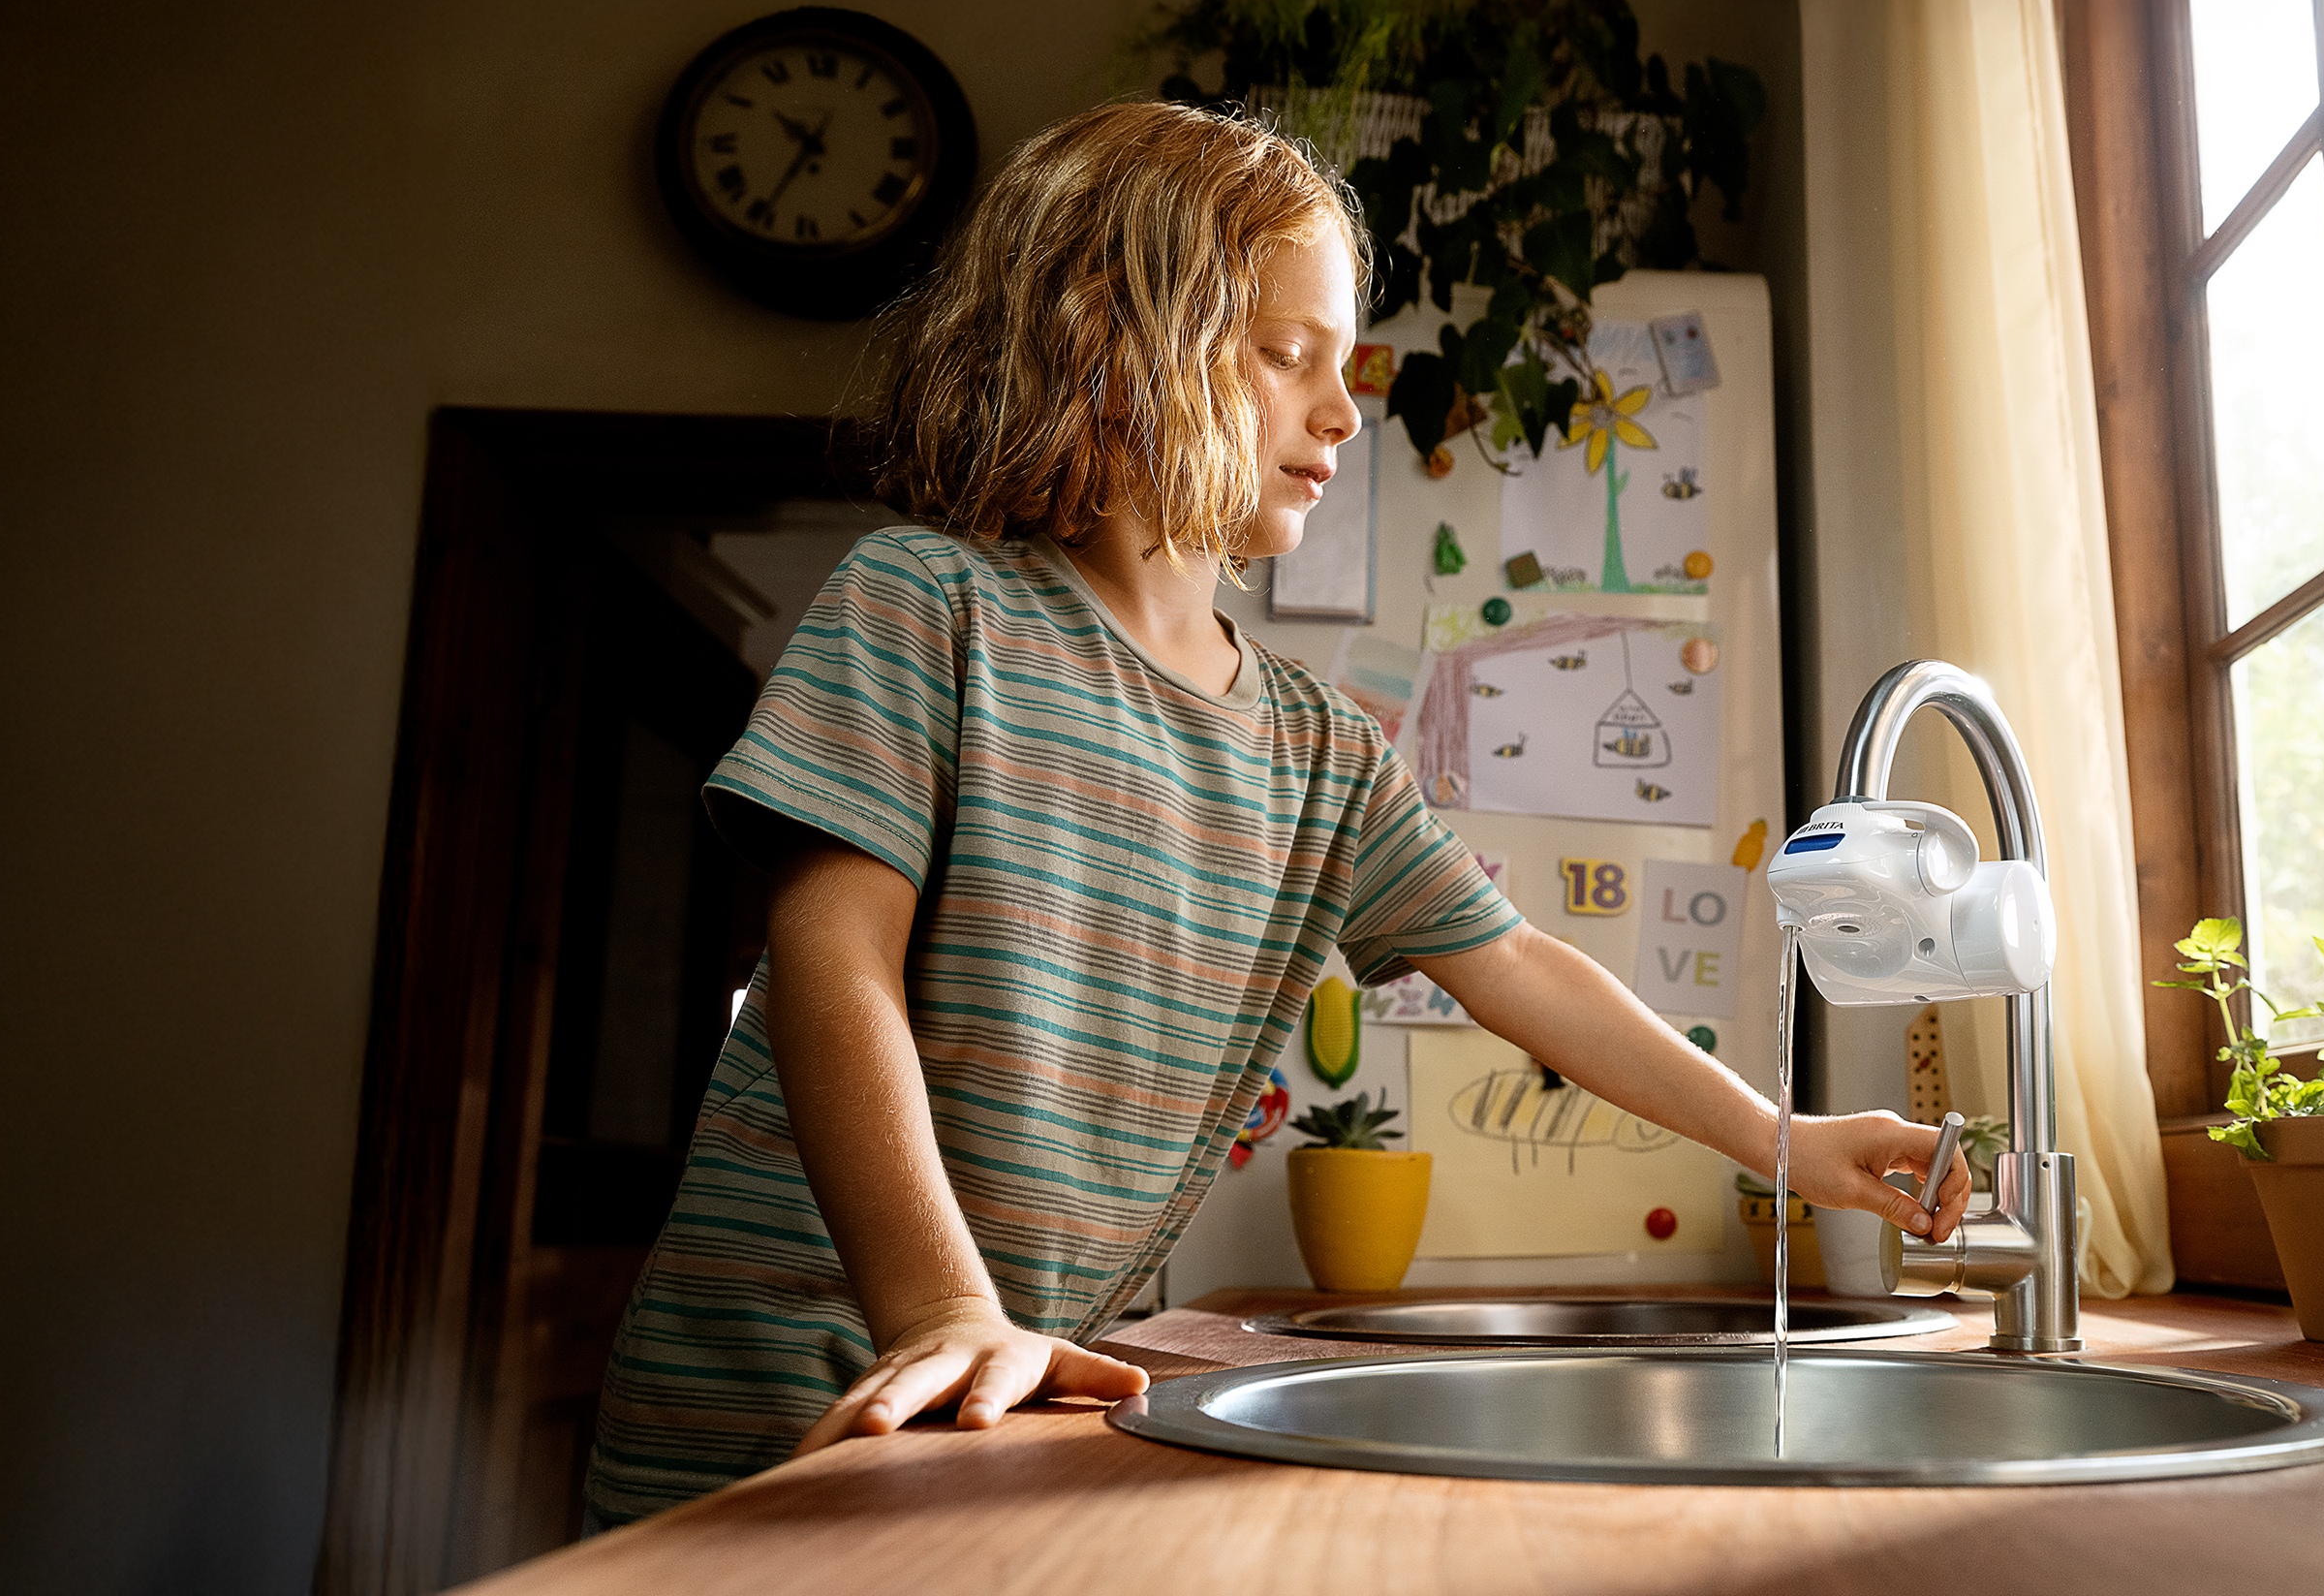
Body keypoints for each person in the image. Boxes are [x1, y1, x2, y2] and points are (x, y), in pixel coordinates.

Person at [581, 101, 1968, 1528]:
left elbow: (1526, 973)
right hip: (787, 1372)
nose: (1340, 410)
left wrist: (1786, 1139)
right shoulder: (928, 607)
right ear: (1111, 342)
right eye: (1285, 355)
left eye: (1343, 363)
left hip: (1024, 1375)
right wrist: (938, 1304)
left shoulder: (1320, 750)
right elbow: (830, 960)